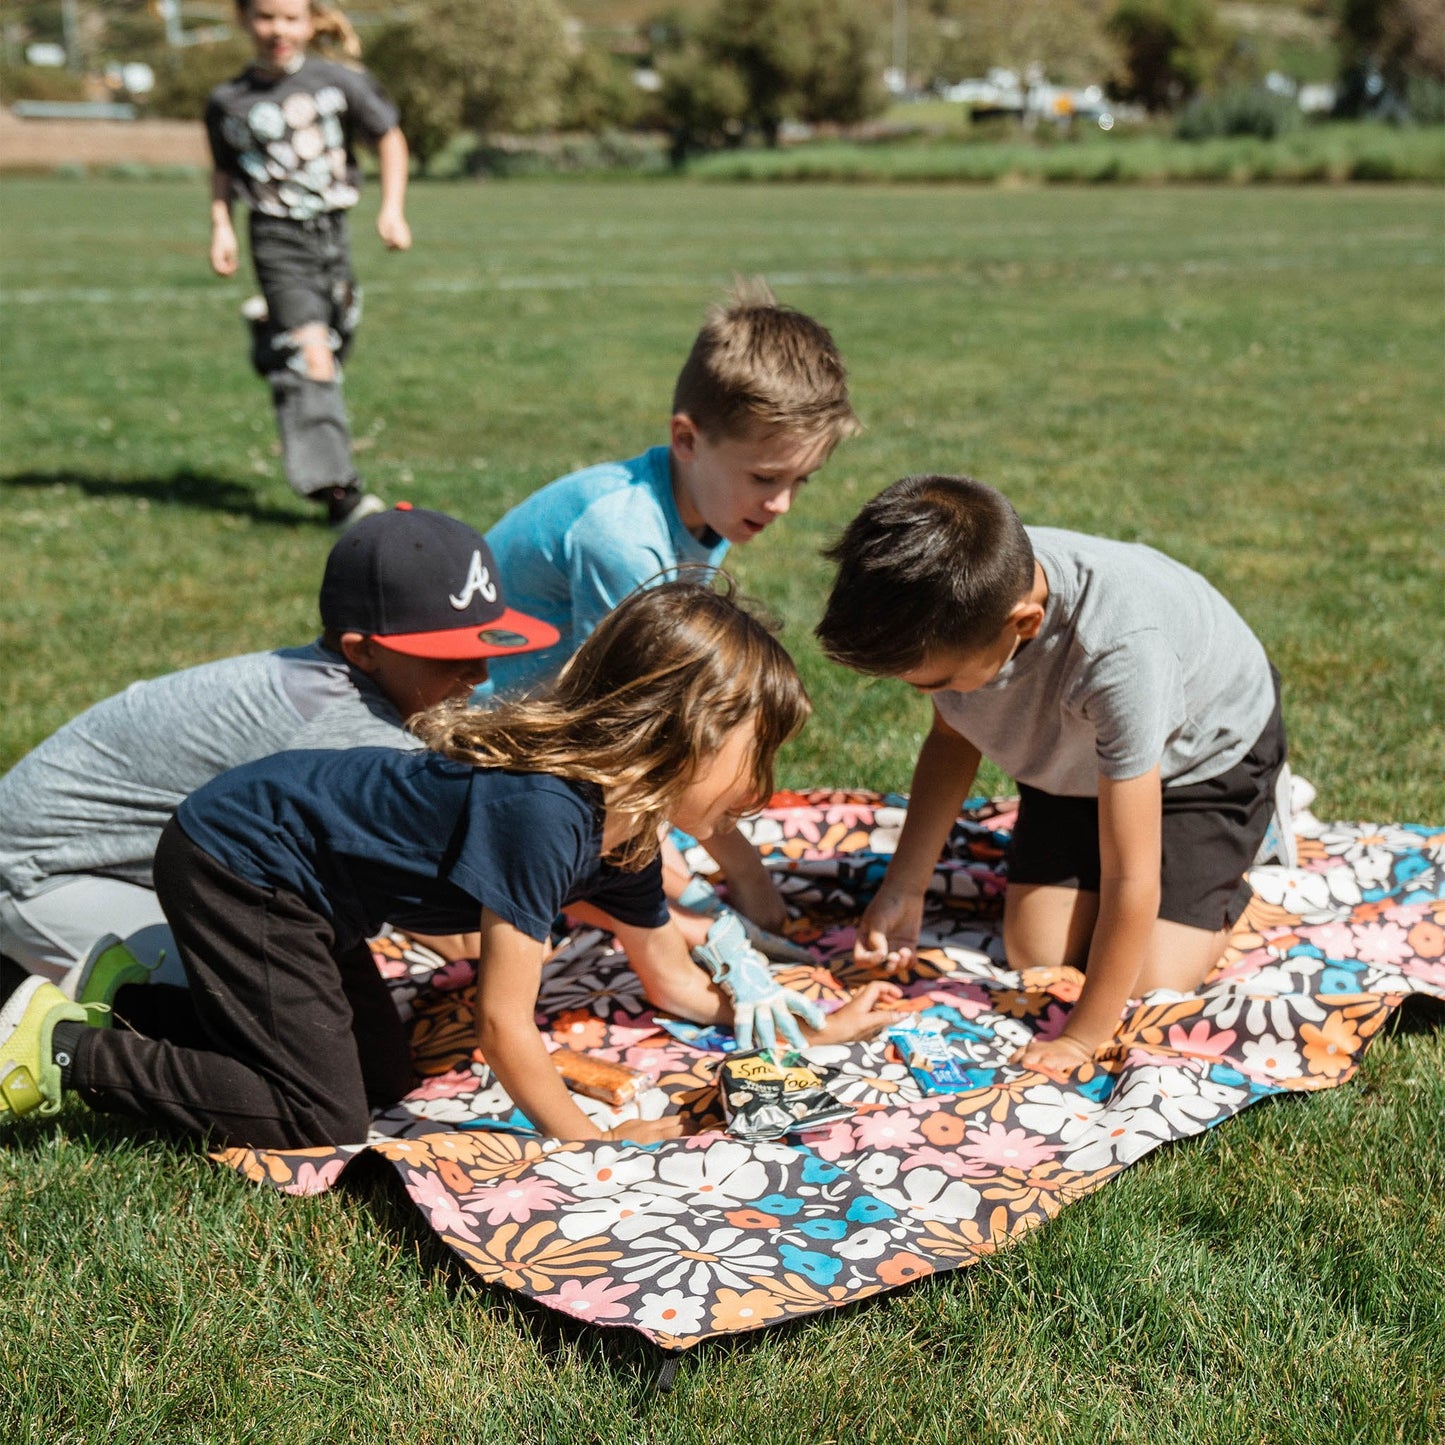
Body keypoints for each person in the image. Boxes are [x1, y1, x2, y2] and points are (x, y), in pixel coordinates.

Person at [0, 582, 903, 1146]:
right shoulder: (548, 814)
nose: (763, 786)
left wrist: (813, 1029)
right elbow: (501, 1026)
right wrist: (594, 1141)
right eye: (758, 753)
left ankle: (134, 1001)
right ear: (684, 731)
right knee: (317, 1119)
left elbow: (671, 979)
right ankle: (62, 1049)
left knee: (387, 1081)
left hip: (311, 890)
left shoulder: (628, 833)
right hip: (240, 862)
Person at [815, 474, 1291, 1078]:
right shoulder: (964, 586)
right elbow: (951, 739)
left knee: (1149, 978)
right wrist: (904, 887)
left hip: (1201, 760)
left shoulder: (1120, 656)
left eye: (936, 683)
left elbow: (1131, 876)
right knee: (1035, 952)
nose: (926, 694)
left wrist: (1083, 1037)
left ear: (1025, 624)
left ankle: (1238, 856)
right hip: (1079, 755)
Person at [0, 505, 558, 998]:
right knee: (261, 1001)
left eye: (483, 646)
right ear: (362, 652)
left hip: (123, 864)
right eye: (449, 656)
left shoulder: (347, 684)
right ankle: (65, 1039)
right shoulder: (345, 729)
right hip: (40, 878)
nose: (479, 672)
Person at [483, 281, 860, 941]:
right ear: (686, 438)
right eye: (765, 478)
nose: (782, 504)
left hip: (556, 722)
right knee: (659, 890)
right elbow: (636, 738)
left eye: (799, 481)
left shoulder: (701, 507)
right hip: (486, 744)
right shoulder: (624, 540)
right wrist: (734, 885)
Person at [206, 0, 411, 528]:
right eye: (266, 16)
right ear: (244, 20)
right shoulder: (227, 101)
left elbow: (388, 137)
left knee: (335, 343)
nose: (278, 29)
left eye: (291, 17)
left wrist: (392, 209)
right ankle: (339, 492)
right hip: (275, 237)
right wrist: (221, 226)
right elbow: (224, 172)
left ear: (311, 21)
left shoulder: (339, 82)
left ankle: (272, 339)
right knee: (314, 359)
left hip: (333, 234)